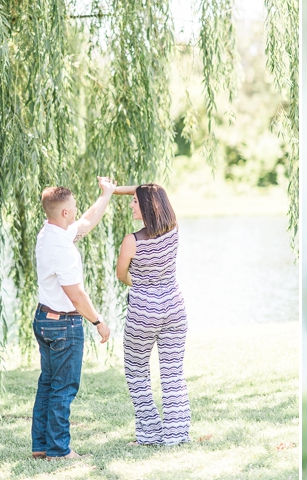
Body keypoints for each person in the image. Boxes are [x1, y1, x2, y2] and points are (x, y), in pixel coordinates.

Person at [31, 177, 115, 460]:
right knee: (63, 388)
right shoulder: (62, 248)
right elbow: (77, 295)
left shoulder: (49, 233)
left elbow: (87, 223)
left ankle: (41, 446)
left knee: (48, 383)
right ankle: (58, 450)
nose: (77, 211)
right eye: (74, 208)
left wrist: (107, 194)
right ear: (64, 212)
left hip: (44, 318)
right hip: (63, 325)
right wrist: (98, 321)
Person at [114, 183, 190, 445]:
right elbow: (156, 190)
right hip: (174, 307)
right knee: (173, 372)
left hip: (143, 312)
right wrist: (119, 190)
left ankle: (150, 434)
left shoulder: (131, 241)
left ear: (146, 206)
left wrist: (110, 190)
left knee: (136, 371)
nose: (131, 204)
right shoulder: (174, 228)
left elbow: (121, 274)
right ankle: (177, 435)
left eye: (135, 201)